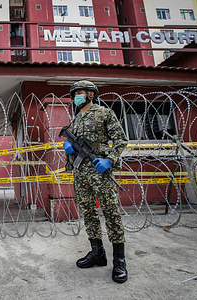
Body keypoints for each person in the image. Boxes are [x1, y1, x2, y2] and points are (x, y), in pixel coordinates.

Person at [63, 80, 128, 283]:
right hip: (80, 172)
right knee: (88, 212)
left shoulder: (104, 113)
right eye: (74, 95)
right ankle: (97, 252)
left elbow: (120, 139)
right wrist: (68, 145)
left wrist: (109, 159)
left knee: (110, 212)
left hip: (100, 170)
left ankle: (119, 260)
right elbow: (72, 141)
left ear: (91, 94)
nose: (76, 97)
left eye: (79, 93)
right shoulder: (75, 120)